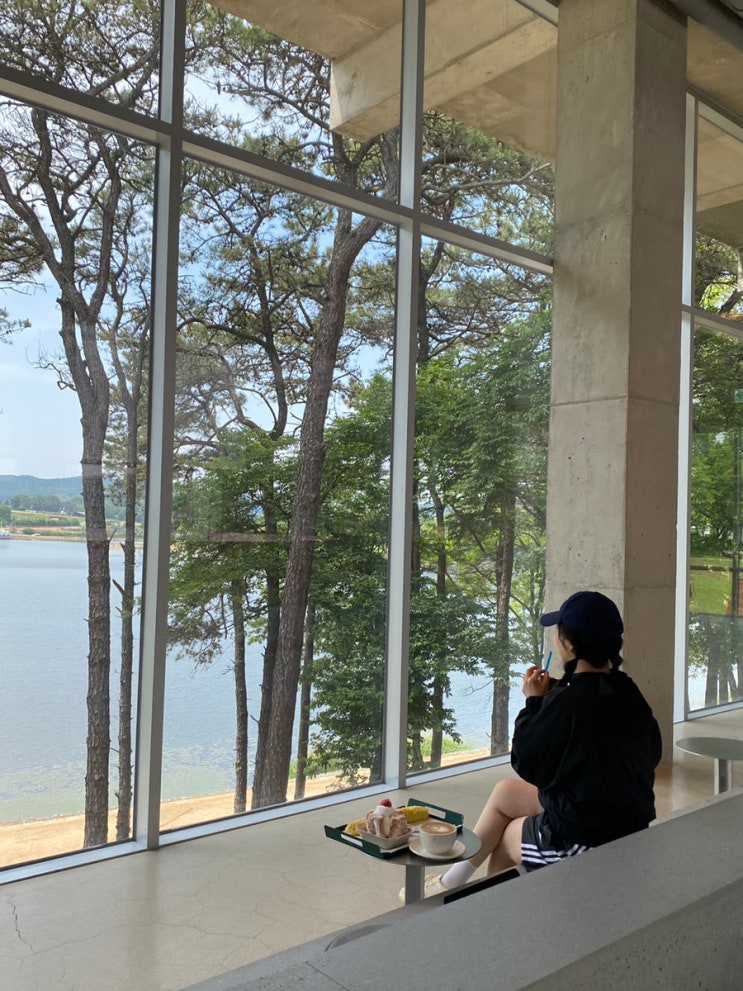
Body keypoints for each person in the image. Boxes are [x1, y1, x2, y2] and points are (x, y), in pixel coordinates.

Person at [411, 590, 662, 899]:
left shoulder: (568, 703)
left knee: (506, 838)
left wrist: (532, 702)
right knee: (505, 792)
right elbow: (651, 751)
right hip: (626, 822)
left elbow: (528, 762)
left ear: (570, 644)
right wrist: (554, 694)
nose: (556, 637)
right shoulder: (627, 690)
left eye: (559, 632)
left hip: (587, 839)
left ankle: (495, 912)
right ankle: (451, 882)